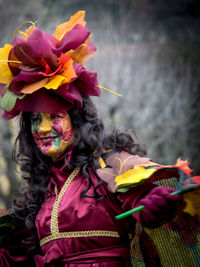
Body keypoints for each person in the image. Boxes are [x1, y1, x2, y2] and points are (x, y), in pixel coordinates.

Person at [0, 10, 199, 267]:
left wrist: (155, 203)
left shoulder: (107, 164)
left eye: (55, 116)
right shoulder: (40, 194)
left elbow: (141, 189)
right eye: (36, 120)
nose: (43, 128)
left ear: (77, 118)